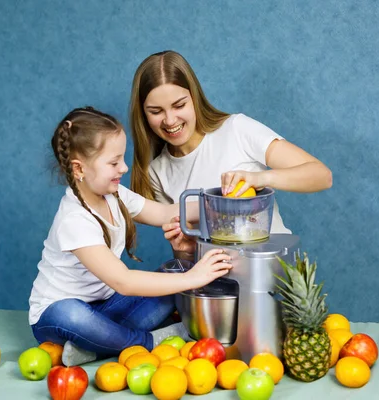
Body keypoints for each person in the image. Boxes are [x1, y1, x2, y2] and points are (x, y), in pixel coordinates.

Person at [29, 107, 232, 366]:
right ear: (79, 168)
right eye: (113, 163)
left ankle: (95, 347)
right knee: (72, 315)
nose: (124, 167)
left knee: (175, 272)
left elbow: (166, 213)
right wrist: (192, 278)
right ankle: (148, 342)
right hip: (56, 318)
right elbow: (124, 281)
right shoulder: (74, 219)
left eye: (122, 158)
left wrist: (218, 204)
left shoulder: (115, 195)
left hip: (107, 308)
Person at [129, 50, 333, 258]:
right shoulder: (157, 172)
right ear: (143, 114)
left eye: (179, 105)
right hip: (219, 285)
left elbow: (321, 176)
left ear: (195, 97)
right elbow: (187, 259)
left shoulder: (236, 129)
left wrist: (259, 178)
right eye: (156, 111)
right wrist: (190, 249)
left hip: (270, 274)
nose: (170, 120)